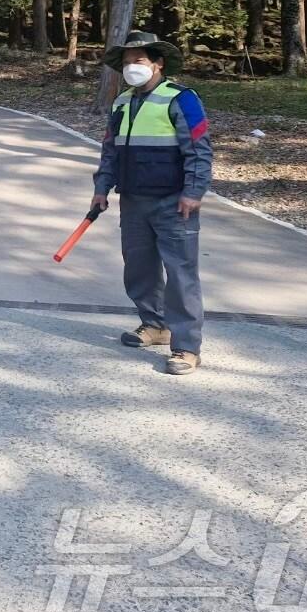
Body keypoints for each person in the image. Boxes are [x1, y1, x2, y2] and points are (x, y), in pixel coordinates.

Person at [91, 30, 213, 375]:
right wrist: (102, 186)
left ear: (158, 64)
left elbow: (199, 150)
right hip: (133, 200)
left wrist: (193, 191)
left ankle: (187, 347)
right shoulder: (121, 103)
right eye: (127, 62)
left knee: (181, 274)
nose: (132, 67)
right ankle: (154, 324)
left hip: (175, 203)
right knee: (139, 268)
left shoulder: (182, 99)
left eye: (139, 61)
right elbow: (110, 150)